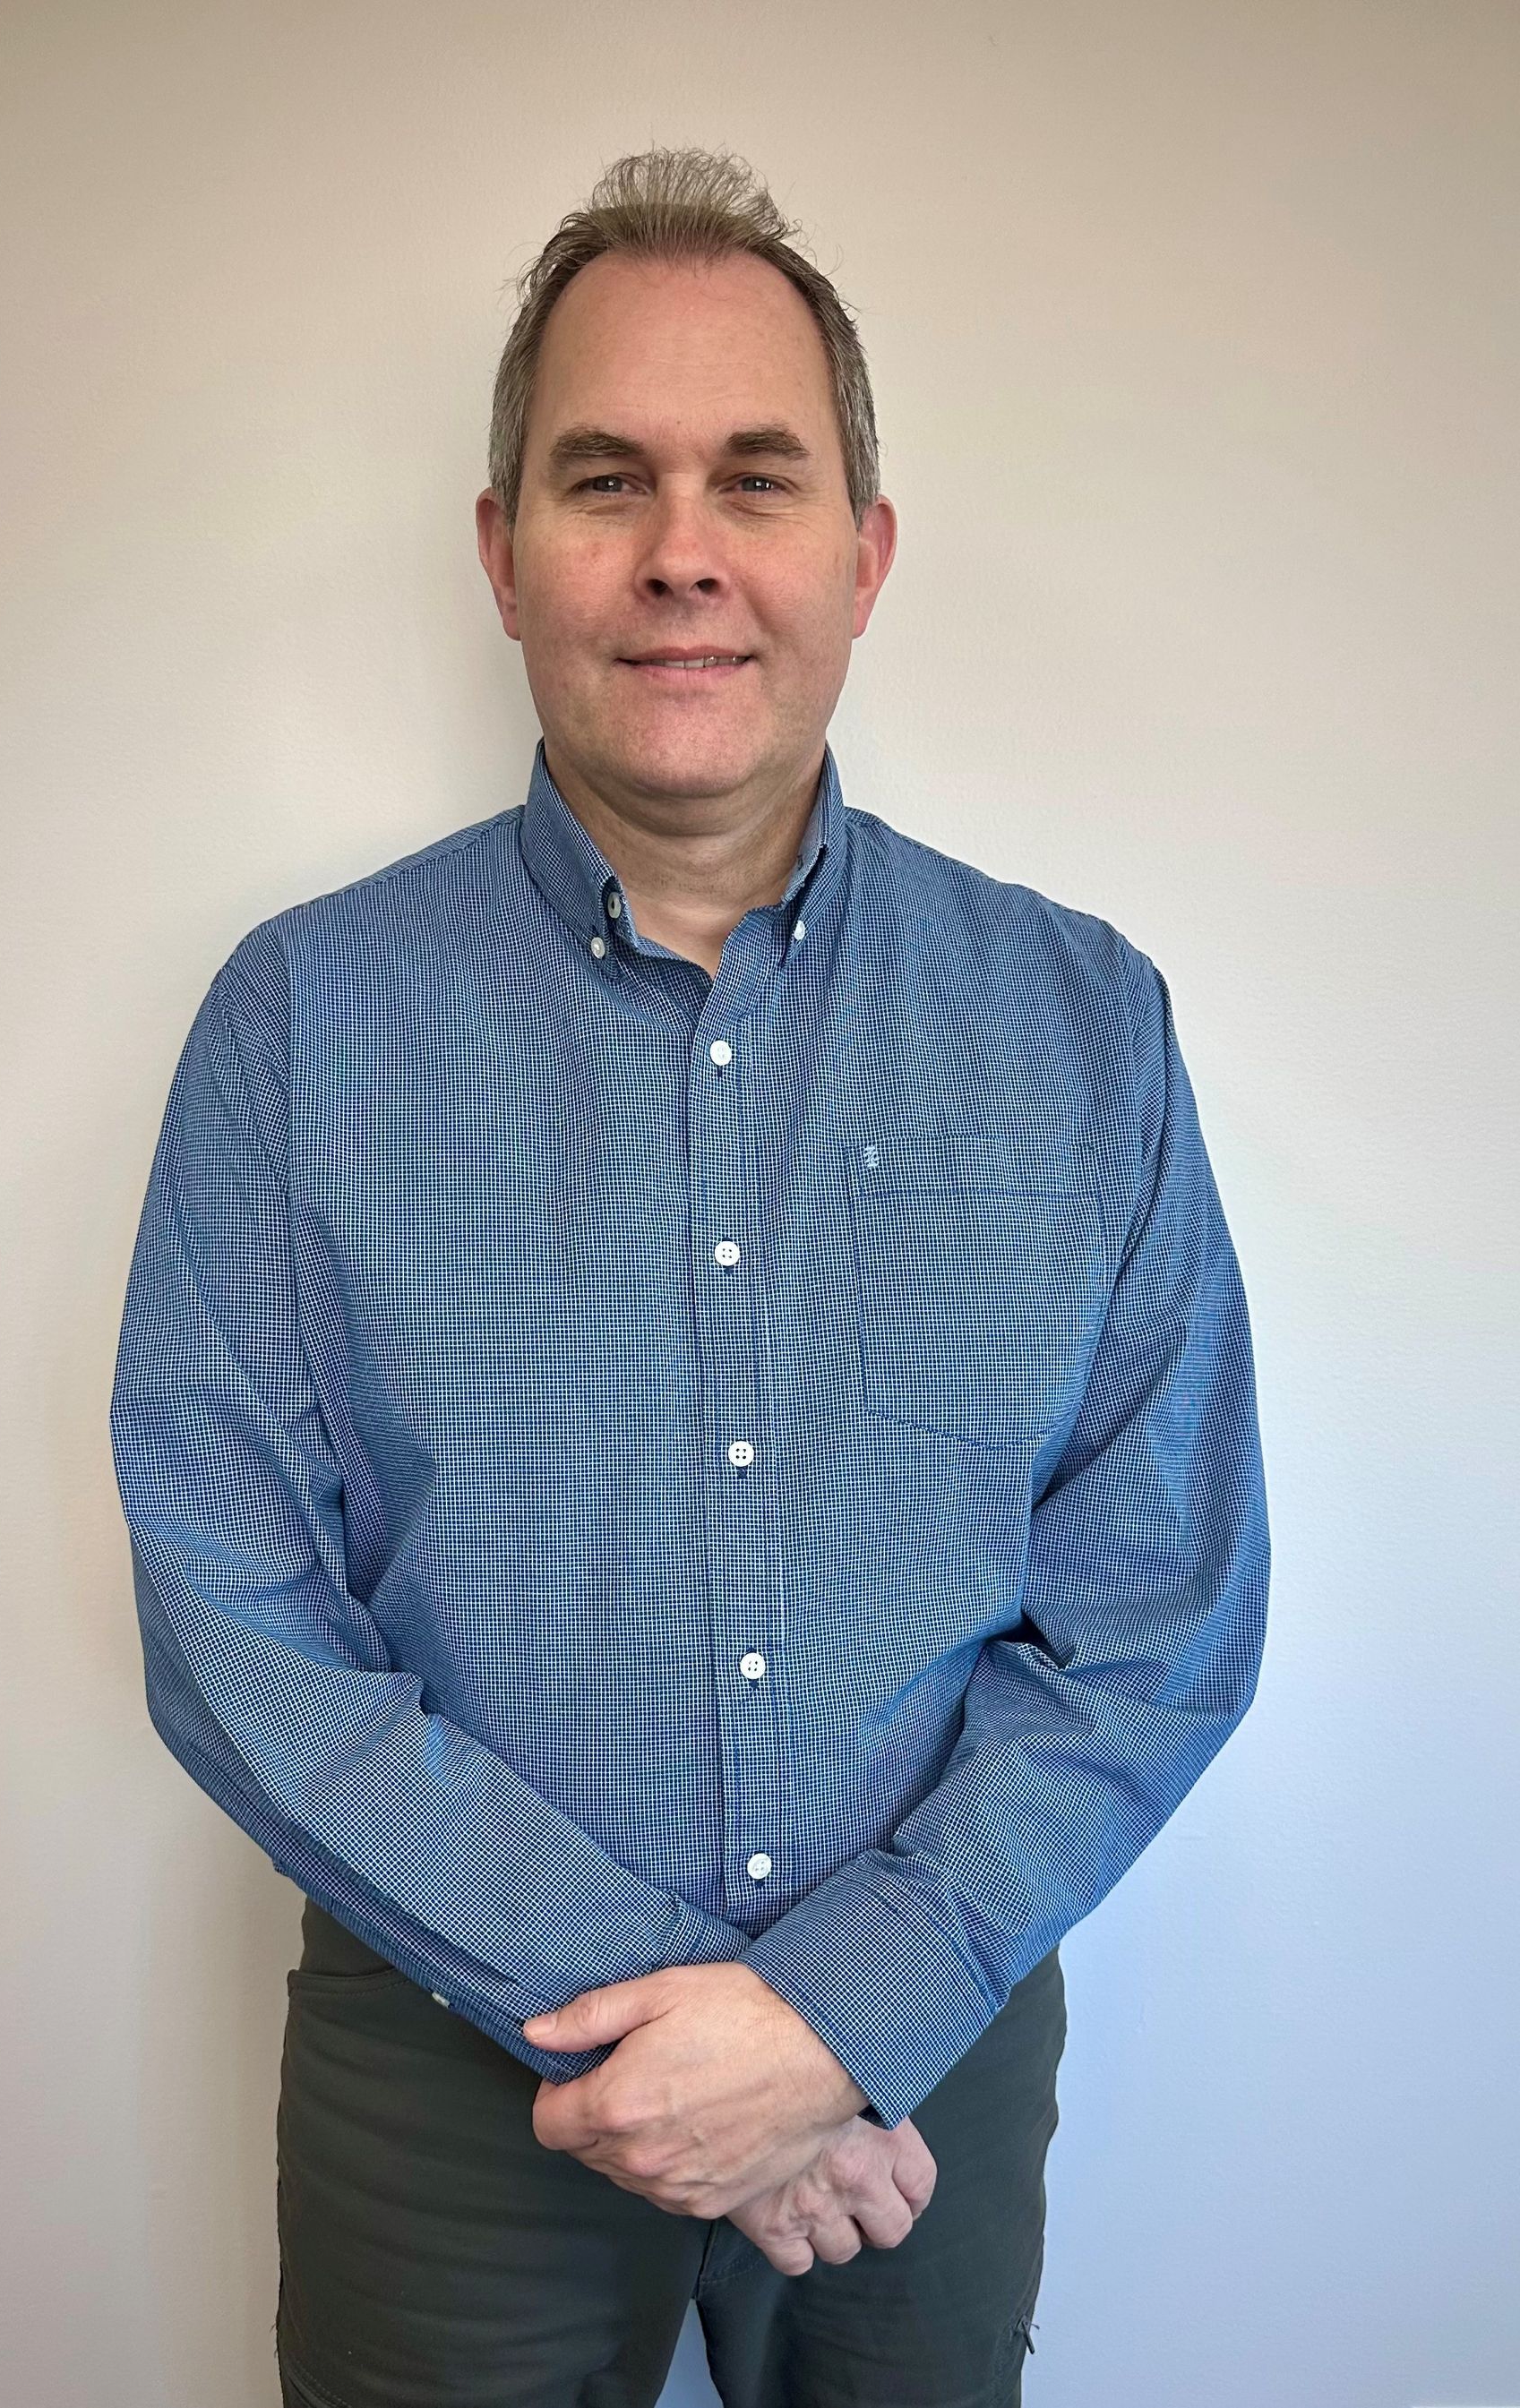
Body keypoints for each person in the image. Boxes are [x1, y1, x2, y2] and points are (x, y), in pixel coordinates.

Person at [109, 144, 1268, 2408]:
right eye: (603, 478)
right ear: (500, 552)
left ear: (866, 550)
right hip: (449, 2067)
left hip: (918, 2062)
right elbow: (226, 1598)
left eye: (758, 475)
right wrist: (668, 2023)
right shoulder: (301, 1020)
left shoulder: (1081, 1021)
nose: (681, 554)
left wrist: (835, 2018)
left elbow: (1160, 1610)